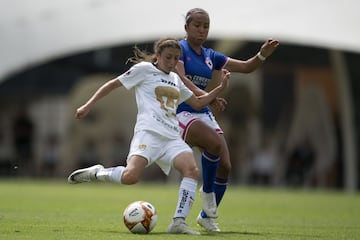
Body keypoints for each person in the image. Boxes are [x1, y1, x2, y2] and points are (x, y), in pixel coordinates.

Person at [67, 37, 230, 235]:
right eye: (168, 57)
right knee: (130, 177)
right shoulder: (143, 70)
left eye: (176, 58)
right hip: (149, 135)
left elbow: (197, 103)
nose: (171, 62)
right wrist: (87, 105)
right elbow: (112, 84)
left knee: (192, 171)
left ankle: (178, 221)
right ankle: (97, 173)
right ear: (158, 55)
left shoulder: (175, 79)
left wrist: (219, 90)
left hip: (171, 138)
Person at [175, 8, 279, 232]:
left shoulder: (211, 56)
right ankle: (207, 193)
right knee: (213, 143)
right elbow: (182, 81)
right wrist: (209, 97)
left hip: (203, 110)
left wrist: (262, 55)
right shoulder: (178, 49)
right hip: (182, 110)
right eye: (197, 25)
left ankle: (205, 216)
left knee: (225, 165)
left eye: (206, 26)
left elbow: (246, 67)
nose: (202, 30)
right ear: (186, 27)